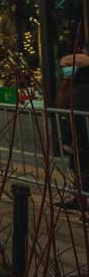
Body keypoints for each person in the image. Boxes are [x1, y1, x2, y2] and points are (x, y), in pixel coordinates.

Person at [54, 51, 89, 211]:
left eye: (67, 67)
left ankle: (82, 200)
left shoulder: (81, 88)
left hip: (82, 137)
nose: (64, 70)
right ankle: (80, 199)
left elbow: (71, 108)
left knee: (82, 167)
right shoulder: (73, 85)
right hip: (78, 136)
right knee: (78, 167)